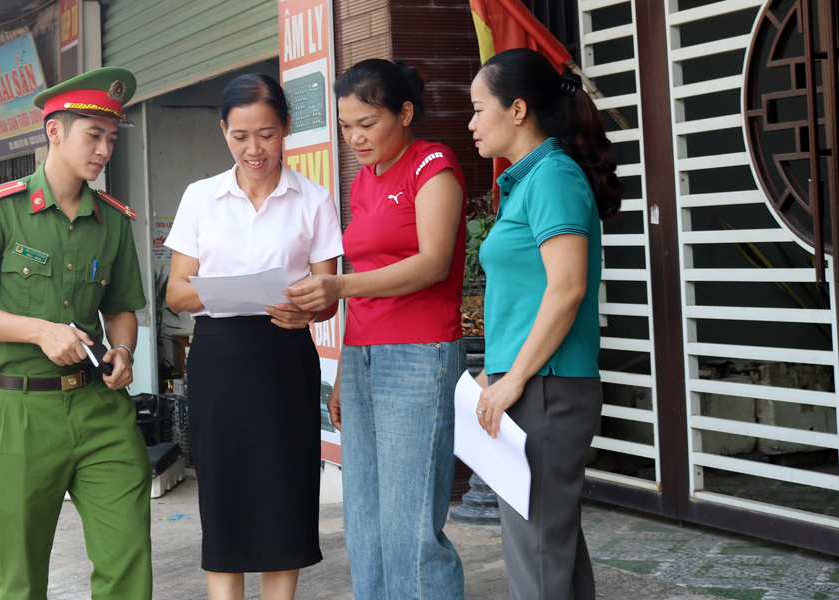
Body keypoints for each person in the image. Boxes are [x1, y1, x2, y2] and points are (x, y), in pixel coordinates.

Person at [0, 67, 152, 600]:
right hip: (19, 415)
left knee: (127, 557)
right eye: (93, 135)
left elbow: (123, 307)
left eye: (111, 138)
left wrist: (123, 349)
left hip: (100, 410)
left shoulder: (113, 221)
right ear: (54, 132)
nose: (104, 150)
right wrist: (38, 331)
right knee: (23, 575)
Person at [284, 59, 467, 599]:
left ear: (404, 112)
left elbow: (433, 261)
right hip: (364, 357)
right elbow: (364, 278)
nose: (354, 137)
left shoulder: (432, 164)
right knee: (363, 513)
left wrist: (337, 289)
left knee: (411, 521)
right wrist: (342, 368)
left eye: (366, 122)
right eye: (345, 126)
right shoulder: (364, 181)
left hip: (420, 354)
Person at [163, 73, 344, 600]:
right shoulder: (201, 198)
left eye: (266, 134)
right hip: (218, 358)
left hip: (283, 354)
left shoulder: (313, 199)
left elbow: (329, 294)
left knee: (282, 490)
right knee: (224, 491)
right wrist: (229, 291)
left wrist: (304, 306)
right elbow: (177, 292)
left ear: (286, 128)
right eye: (241, 136)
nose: (254, 148)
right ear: (223, 132)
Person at [468, 48, 623, 600]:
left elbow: (567, 288)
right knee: (551, 552)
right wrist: (499, 372)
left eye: (478, 108)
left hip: (547, 388)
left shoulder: (553, 177)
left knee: (537, 557)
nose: (471, 123)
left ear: (517, 110)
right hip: (532, 384)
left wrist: (514, 378)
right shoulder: (527, 181)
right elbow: (532, 294)